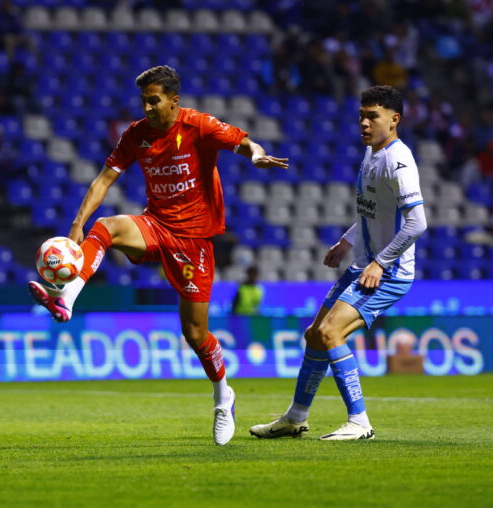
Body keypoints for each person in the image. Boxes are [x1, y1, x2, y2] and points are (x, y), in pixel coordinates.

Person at [29, 65, 289, 446]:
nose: (148, 108)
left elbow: (243, 142)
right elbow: (104, 179)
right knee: (107, 228)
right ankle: (65, 299)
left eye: (154, 100)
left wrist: (256, 156)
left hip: (194, 240)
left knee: (195, 333)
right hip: (156, 225)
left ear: (173, 100)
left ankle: (223, 398)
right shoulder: (136, 134)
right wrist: (76, 224)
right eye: (144, 101)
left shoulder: (198, 125)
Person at [250, 86, 426, 441]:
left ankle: (360, 422)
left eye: (372, 116)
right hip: (362, 264)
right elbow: (371, 212)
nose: (364, 122)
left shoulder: (399, 161)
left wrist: (380, 261)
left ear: (394, 120)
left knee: (330, 333)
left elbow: (417, 222)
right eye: (361, 115)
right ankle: (295, 417)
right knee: (314, 335)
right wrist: (348, 240)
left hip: (387, 273)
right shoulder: (371, 153)